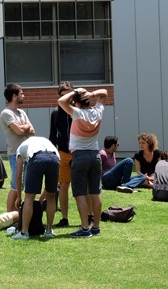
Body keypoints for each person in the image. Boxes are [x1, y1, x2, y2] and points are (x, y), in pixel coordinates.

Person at [58, 87, 108, 238]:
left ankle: (85, 229)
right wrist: (91, 94)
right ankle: (96, 227)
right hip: (95, 155)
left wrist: (74, 92)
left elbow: (61, 101)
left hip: (79, 156)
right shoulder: (97, 111)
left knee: (79, 192)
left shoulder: (77, 113)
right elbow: (104, 93)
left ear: (77, 103)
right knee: (95, 192)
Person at [11, 136, 60, 240]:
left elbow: (19, 175)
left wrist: (19, 197)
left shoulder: (20, 148)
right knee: (51, 197)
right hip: (55, 158)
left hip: (37, 158)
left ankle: (24, 233)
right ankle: (49, 230)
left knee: (29, 197)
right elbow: (51, 186)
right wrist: (41, 199)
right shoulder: (45, 141)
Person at [0, 83, 35, 212]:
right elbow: (20, 131)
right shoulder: (6, 113)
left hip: (27, 153)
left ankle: (18, 214)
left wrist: (23, 128)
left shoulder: (21, 112)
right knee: (16, 185)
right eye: (21, 93)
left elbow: (32, 130)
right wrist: (25, 127)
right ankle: (9, 215)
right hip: (15, 154)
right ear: (14, 96)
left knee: (24, 185)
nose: (23, 96)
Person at [49, 81, 73, 227]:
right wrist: (52, 152)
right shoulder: (56, 113)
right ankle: (64, 218)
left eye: (68, 94)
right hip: (63, 152)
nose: (66, 98)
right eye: (63, 95)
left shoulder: (77, 110)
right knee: (63, 186)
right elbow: (52, 135)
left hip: (78, 152)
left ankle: (89, 216)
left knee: (82, 186)